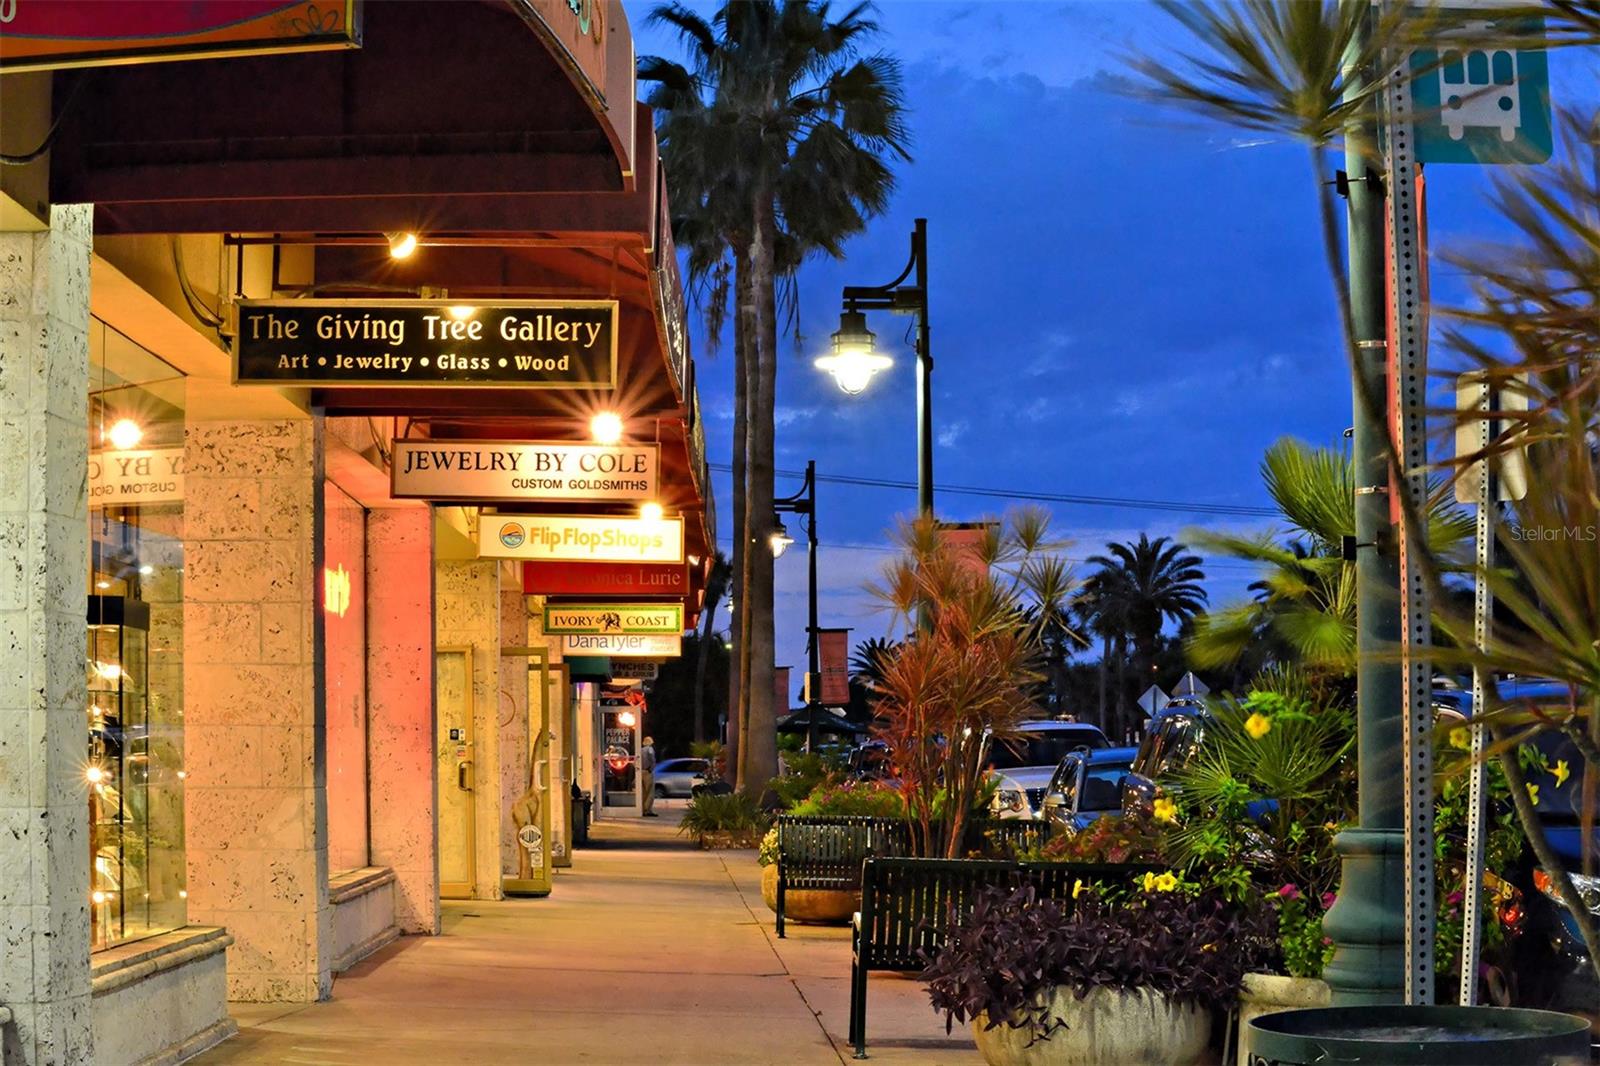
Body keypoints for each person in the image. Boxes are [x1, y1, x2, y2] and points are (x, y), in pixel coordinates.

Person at [640, 736, 658, 817]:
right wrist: (652, 768)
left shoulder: (640, 750)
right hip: (648, 772)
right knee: (650, 791)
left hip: (640, 772)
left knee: (643, 792)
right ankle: (648, 810)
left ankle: (642, 809)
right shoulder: (650, 749)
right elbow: (652, 759)